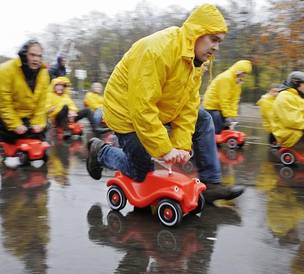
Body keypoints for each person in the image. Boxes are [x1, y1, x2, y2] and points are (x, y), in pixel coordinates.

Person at [86, 4, 244, 203]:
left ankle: (211, 184)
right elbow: (142, 108)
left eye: (220, 42)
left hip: (157, 109)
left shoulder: (197, 60)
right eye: (213, 39)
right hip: (125, 113)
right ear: (198, 32)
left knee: (202, 119)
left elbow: (189, 106)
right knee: (140, 171)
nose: (216, 47)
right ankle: (101, 151)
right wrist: (165, 150)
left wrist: (182, 146)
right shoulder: (157, 50)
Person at [0, 39, 50, 143]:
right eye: (32, 55)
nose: (36, 59)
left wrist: (38, 123)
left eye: (39, 56)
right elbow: (4, 104)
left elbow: (41, 104)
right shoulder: (5, 70)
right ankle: (0, 140)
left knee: (43, 133)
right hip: (6, 117)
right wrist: (15, 124)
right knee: (16, 137)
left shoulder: (44, 73)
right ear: (24, 54)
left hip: (27, 118)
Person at [203, 60, 252, 134]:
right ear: (238, 70)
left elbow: (234, 100)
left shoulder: (237, 81)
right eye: (244, 73)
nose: (244, 75)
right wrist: (227, 116)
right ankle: (214, 140)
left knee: (226, 128)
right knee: (218, 127)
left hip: (221, 107)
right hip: (212, 106)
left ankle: (218, 140)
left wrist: (233, 116)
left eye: (246, 73)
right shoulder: (226, 78)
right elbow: (223, 99)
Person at [271, 71, 304, 150]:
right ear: (296, 84)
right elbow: (293, 120)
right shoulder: (285, 96)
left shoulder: (296, 96)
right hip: (290, 135)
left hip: (296, 132)